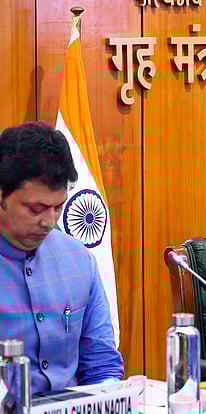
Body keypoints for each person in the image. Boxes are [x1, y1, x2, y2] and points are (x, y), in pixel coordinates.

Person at [0, 122, 123, 393]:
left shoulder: (80, 260)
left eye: (58, 207)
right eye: (36, 209)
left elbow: (101, 364)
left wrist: (109, 400)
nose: (49, 221)